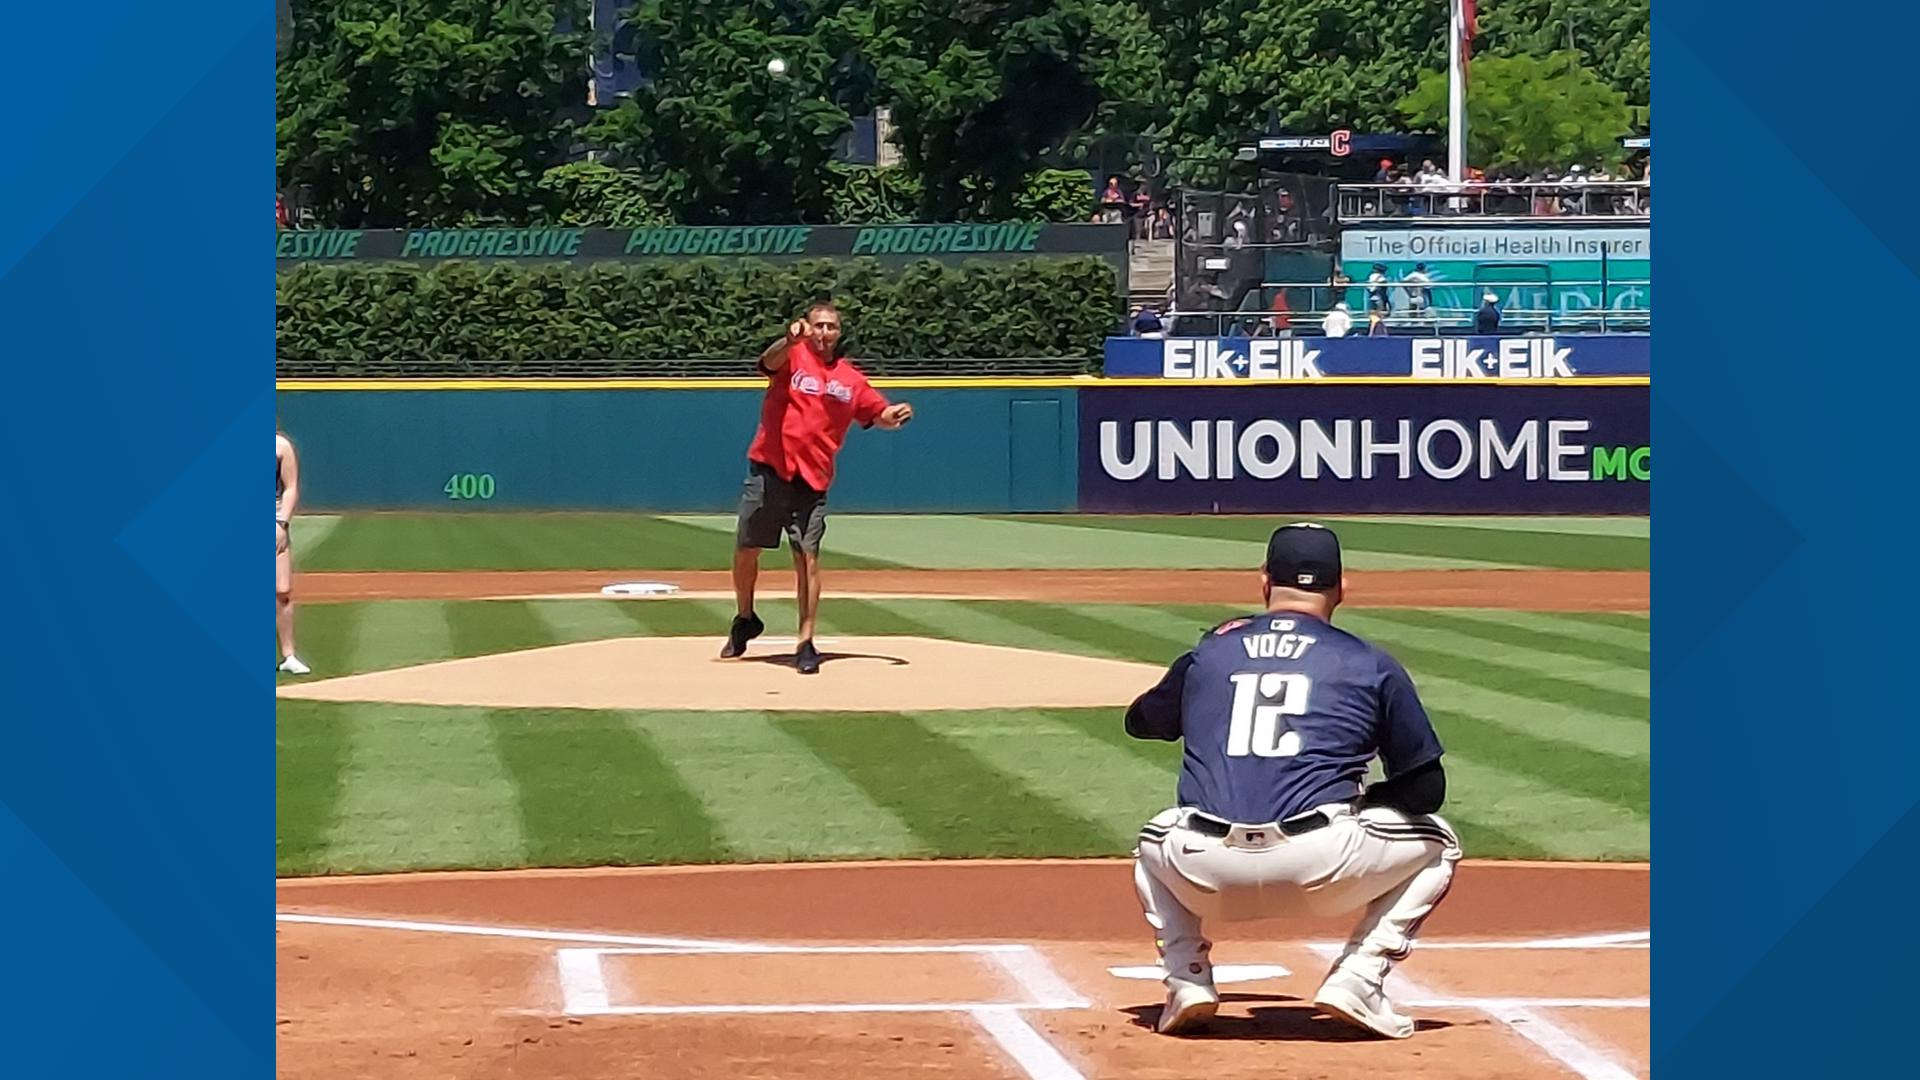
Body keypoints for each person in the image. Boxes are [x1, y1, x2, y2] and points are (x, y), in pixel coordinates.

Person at [1126, 523, 1460, 1038]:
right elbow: (1425, 790)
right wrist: (1365, 799)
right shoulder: (1369, 662)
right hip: (1323, 869)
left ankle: (1187, 977)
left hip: (1206, 874)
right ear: (1341, 588)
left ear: (1264, 581)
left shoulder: (1212, 651)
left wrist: (1202, 676)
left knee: (1155, 834)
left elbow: (1142, 722)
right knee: (1439, 842)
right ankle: (1359, 977)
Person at [723, 303, 914, 674]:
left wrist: (893, 416)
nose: (824, 332)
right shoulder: (792, 357)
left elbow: (877, 413)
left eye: (831, 327)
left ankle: (806, 641)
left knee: (807, 556)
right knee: (747, 549)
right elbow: (767, 361)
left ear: (839, 333)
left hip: (812, 479)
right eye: (818, 325)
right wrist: (788, 339)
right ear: (807, 328)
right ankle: (745, 617)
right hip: (770, 469)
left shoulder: (850, 380)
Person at [276, 428, 309, 675]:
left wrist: (282, 523)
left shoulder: (280, 446)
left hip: (273, 519)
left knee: (282, 590)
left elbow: (290, 487)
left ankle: (289, 655)